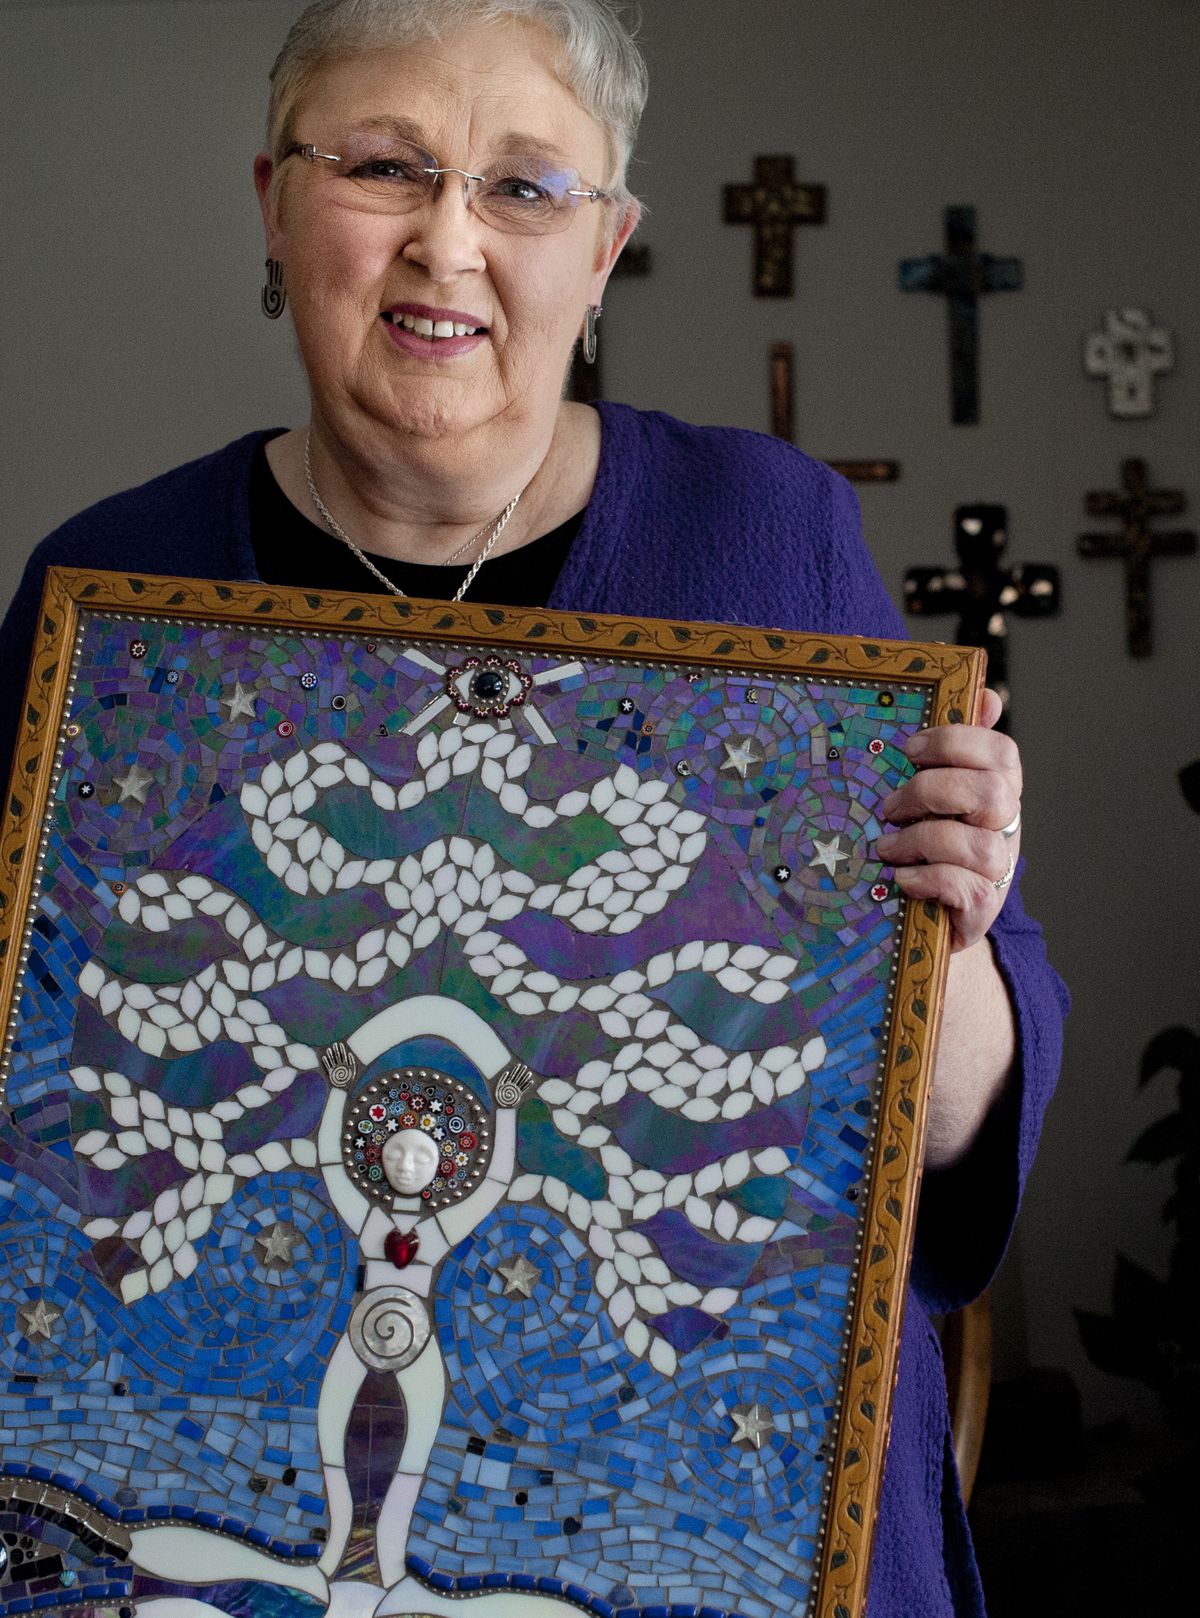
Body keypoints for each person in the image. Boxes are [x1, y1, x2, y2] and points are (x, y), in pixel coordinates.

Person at [0, 2, 1067, 1614]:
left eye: (522, 187)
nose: (448, 241)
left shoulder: (769, 540)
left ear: (607, 245)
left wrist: (953, 924)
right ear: (277, 207)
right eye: (385, 168)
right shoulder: (114, 608)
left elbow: (931, 1130)